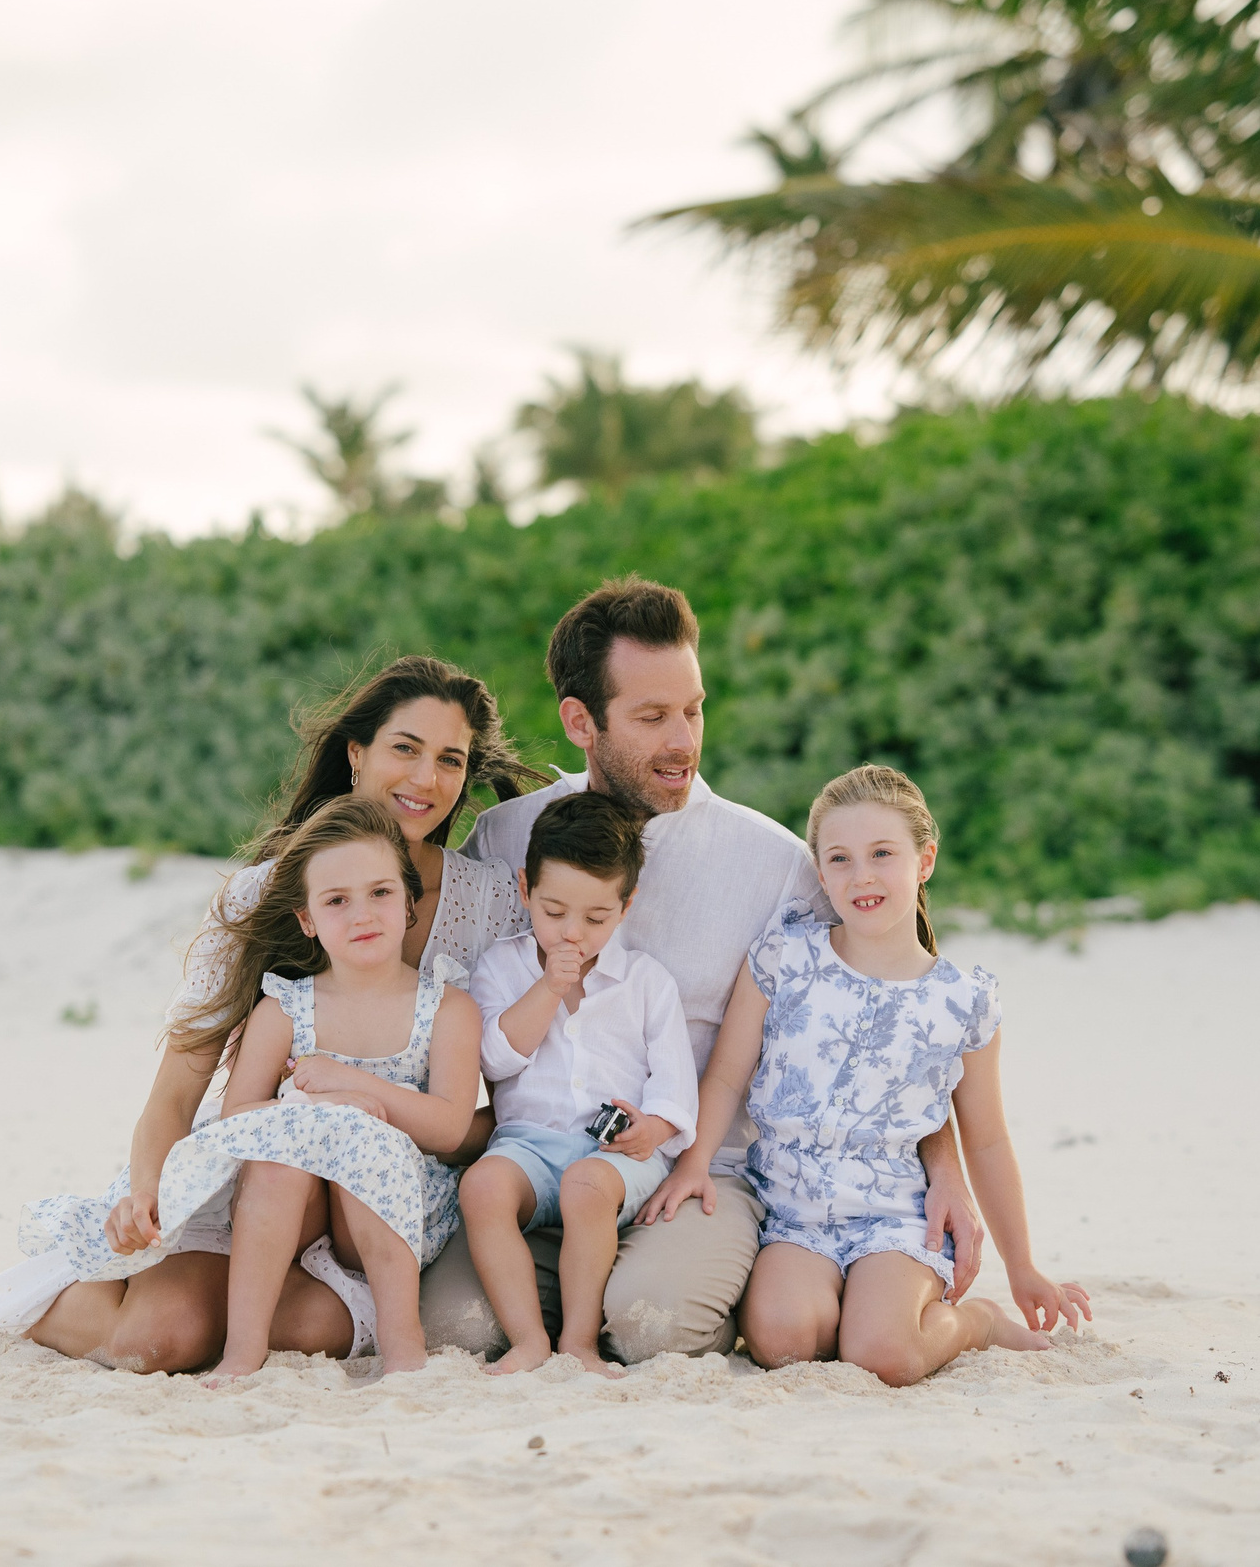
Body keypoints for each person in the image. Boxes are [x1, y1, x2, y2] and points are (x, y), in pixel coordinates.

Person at [418, 578, 985, 1364]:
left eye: (693, 709)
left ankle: (663, 1289)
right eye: (652, 718)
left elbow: (885, 1015)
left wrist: (943, 1165)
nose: (682, 739)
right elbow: (441, 1012)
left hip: (694, 1174)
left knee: (653, 1328)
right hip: (535, 1160)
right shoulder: (508, 842)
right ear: (581, 722)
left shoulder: (775, 864)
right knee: (455, 1332)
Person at [0, 656, 539, 1371]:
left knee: (310, 1328)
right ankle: (40, 1302)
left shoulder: (492, 908)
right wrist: (148, 1191)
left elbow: (509, 1106)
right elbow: (178, 1093)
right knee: (157, 1343)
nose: (425, 780)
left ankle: (191, 1309)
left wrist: (371, 1109)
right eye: (405, 749)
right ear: (356, 755)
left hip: (378, 1202)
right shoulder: (263, 896)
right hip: (258, 1175)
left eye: (451, 760)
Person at [648, 765, 1090, 1384]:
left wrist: (1023, 1268)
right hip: (791, 1213)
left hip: (899, 1218)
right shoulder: (785, 957)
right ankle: (845, 1309)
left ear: (925, 860)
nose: (862, 876)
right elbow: (724, 1078)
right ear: (820, 872)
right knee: (783, 1341)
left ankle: (976, 1322)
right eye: (840, 859)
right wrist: (693, 1164)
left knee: (884, 1355)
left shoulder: (963, 1001)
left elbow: (987, 1139)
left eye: (883, 853)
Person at [180, 796, 482, 1379]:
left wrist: (354, 1088)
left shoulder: (447, 1006)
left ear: (409, 901)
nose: (362, 914)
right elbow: (237, 1116)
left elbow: (448, 1127)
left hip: (397, 1207)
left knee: (361, 1134)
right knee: (277, 1157)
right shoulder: (286, 1008)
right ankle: (243, 1352)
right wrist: (332, 1104)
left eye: (380, 893)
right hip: (298, 1204)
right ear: (307, 920)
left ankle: (403, 1347)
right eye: (337, 901)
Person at [462, 792, 697, 1377]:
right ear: (525, 890)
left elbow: (675, 1082)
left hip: (613, 1156)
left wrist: (654, 1127)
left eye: (595, 919)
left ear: (625, 905)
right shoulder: (501, 965)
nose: (572, 933)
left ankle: (579, 1341)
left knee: (588, 1185)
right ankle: (527, 1340)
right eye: (554, 912)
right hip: (527, 1145)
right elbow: (493, 1060)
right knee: (484, 1188)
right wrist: (545, 988)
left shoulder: (646, 981)